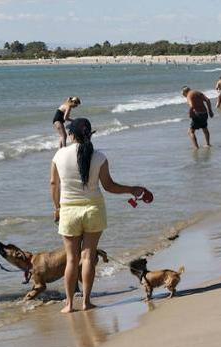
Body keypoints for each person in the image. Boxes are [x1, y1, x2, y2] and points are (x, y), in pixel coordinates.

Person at [50, 118, 151, 313]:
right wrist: (132, 190)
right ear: (90, 135)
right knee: (88, 258)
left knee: (72, 259)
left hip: (69, 211)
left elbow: (54, 184)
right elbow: (109, 186)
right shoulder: (99, 157)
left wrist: (57, 208)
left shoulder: (59, 155)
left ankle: (70, 304)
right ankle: (87, 301)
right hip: (94, 210)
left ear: (71, 135)